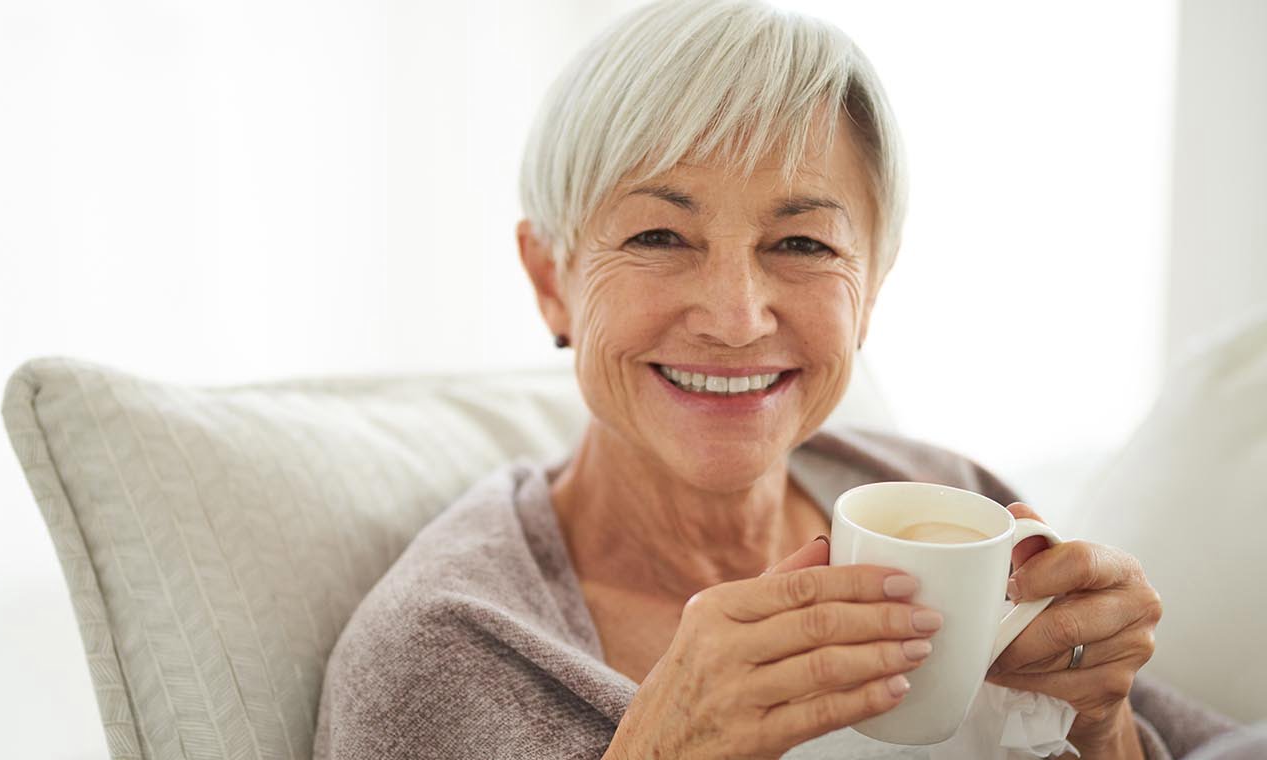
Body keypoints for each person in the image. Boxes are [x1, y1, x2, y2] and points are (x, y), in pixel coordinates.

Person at [313, 1, 1242, 757]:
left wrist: (1102, 724)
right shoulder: (448, 652)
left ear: (871, 286)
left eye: (801, 243)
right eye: (658, 237)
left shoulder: (955, 502)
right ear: (551, 279)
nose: (735, 315)